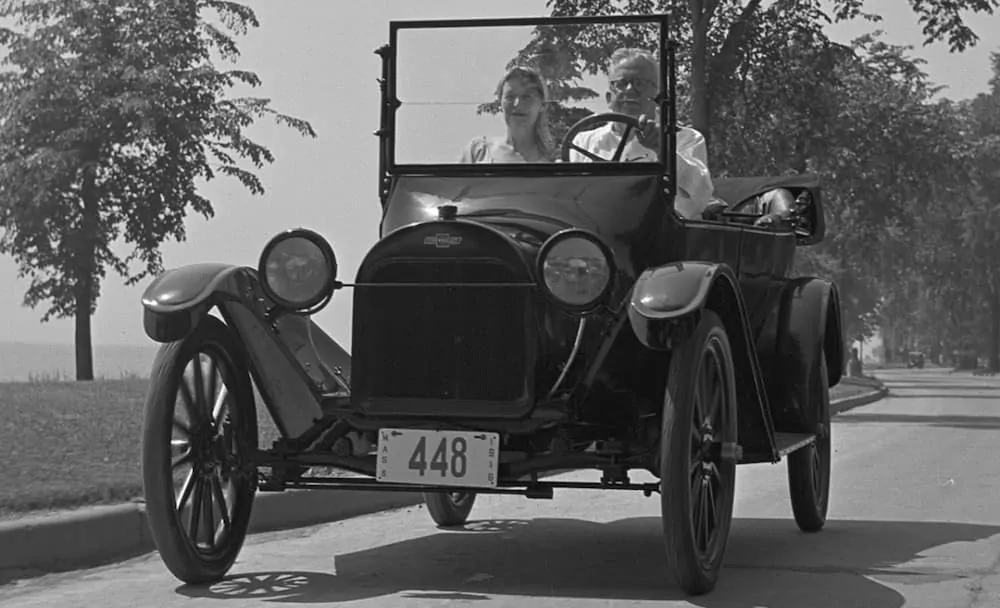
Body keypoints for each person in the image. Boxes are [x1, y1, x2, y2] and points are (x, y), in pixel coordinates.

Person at [567, 48, 726, 219]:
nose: (629, 90)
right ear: (608, 98)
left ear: (657, 96)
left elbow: (699, 198)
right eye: (621, 83)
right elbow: (571, 201)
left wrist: (663, 151)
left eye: (640, 83)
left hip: (664, 236)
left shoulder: (685, 139)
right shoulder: (584, 142)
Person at [459, 65, 556, 164]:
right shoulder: (479, 152)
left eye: (527, 97)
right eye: (510, 97)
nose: (517, 104)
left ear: (542, 105)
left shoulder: (553, 163)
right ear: (500, 103)